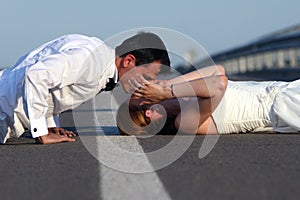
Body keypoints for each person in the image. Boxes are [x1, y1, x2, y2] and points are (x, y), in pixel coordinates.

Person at [0, 32, 170, 144]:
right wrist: (40, 132)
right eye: (146, 77)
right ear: (128, 61)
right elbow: (36, 75)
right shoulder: (92, 60)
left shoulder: (99, 58)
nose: (144, 85)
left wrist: (49, 123)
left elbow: (55, 86)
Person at [117, 65, 300, 135]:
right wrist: (166, 92)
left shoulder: (185, 96)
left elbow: (217, 70)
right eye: (143, 94)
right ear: (150, 111)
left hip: (288, 89)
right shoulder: (185, 122)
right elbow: (219, 83)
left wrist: (169, 84)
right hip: (286, 108)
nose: (149, 87)